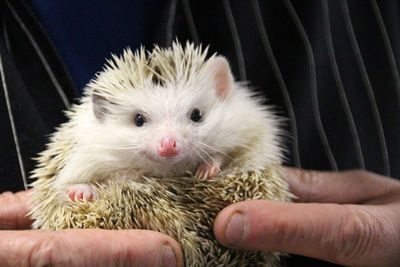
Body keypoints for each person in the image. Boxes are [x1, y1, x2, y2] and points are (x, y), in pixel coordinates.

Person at [1, 1, 399, 266]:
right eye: (141, 121)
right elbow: (74, 178)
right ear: (102, 112)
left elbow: (254, 141)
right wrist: (83, 190)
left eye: (194, 116)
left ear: (221, 90)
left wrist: (222, 159)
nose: (169, 141)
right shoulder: (91, 142)